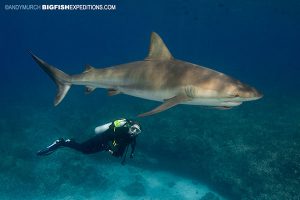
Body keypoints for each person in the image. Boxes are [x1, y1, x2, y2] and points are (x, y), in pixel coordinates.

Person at [37, 118, 141, 164]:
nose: (134, 132)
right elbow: (111, 133)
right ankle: (61, 142)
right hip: (102, 138)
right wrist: (109, 145)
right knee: (83, 149)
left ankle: (69, 142)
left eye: (137, 131)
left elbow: (118, 154)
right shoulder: (122, 129)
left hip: (105, 145)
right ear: (129, 127)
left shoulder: (131, 139)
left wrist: (108, 149)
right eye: (133, 129)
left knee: (85, 152)